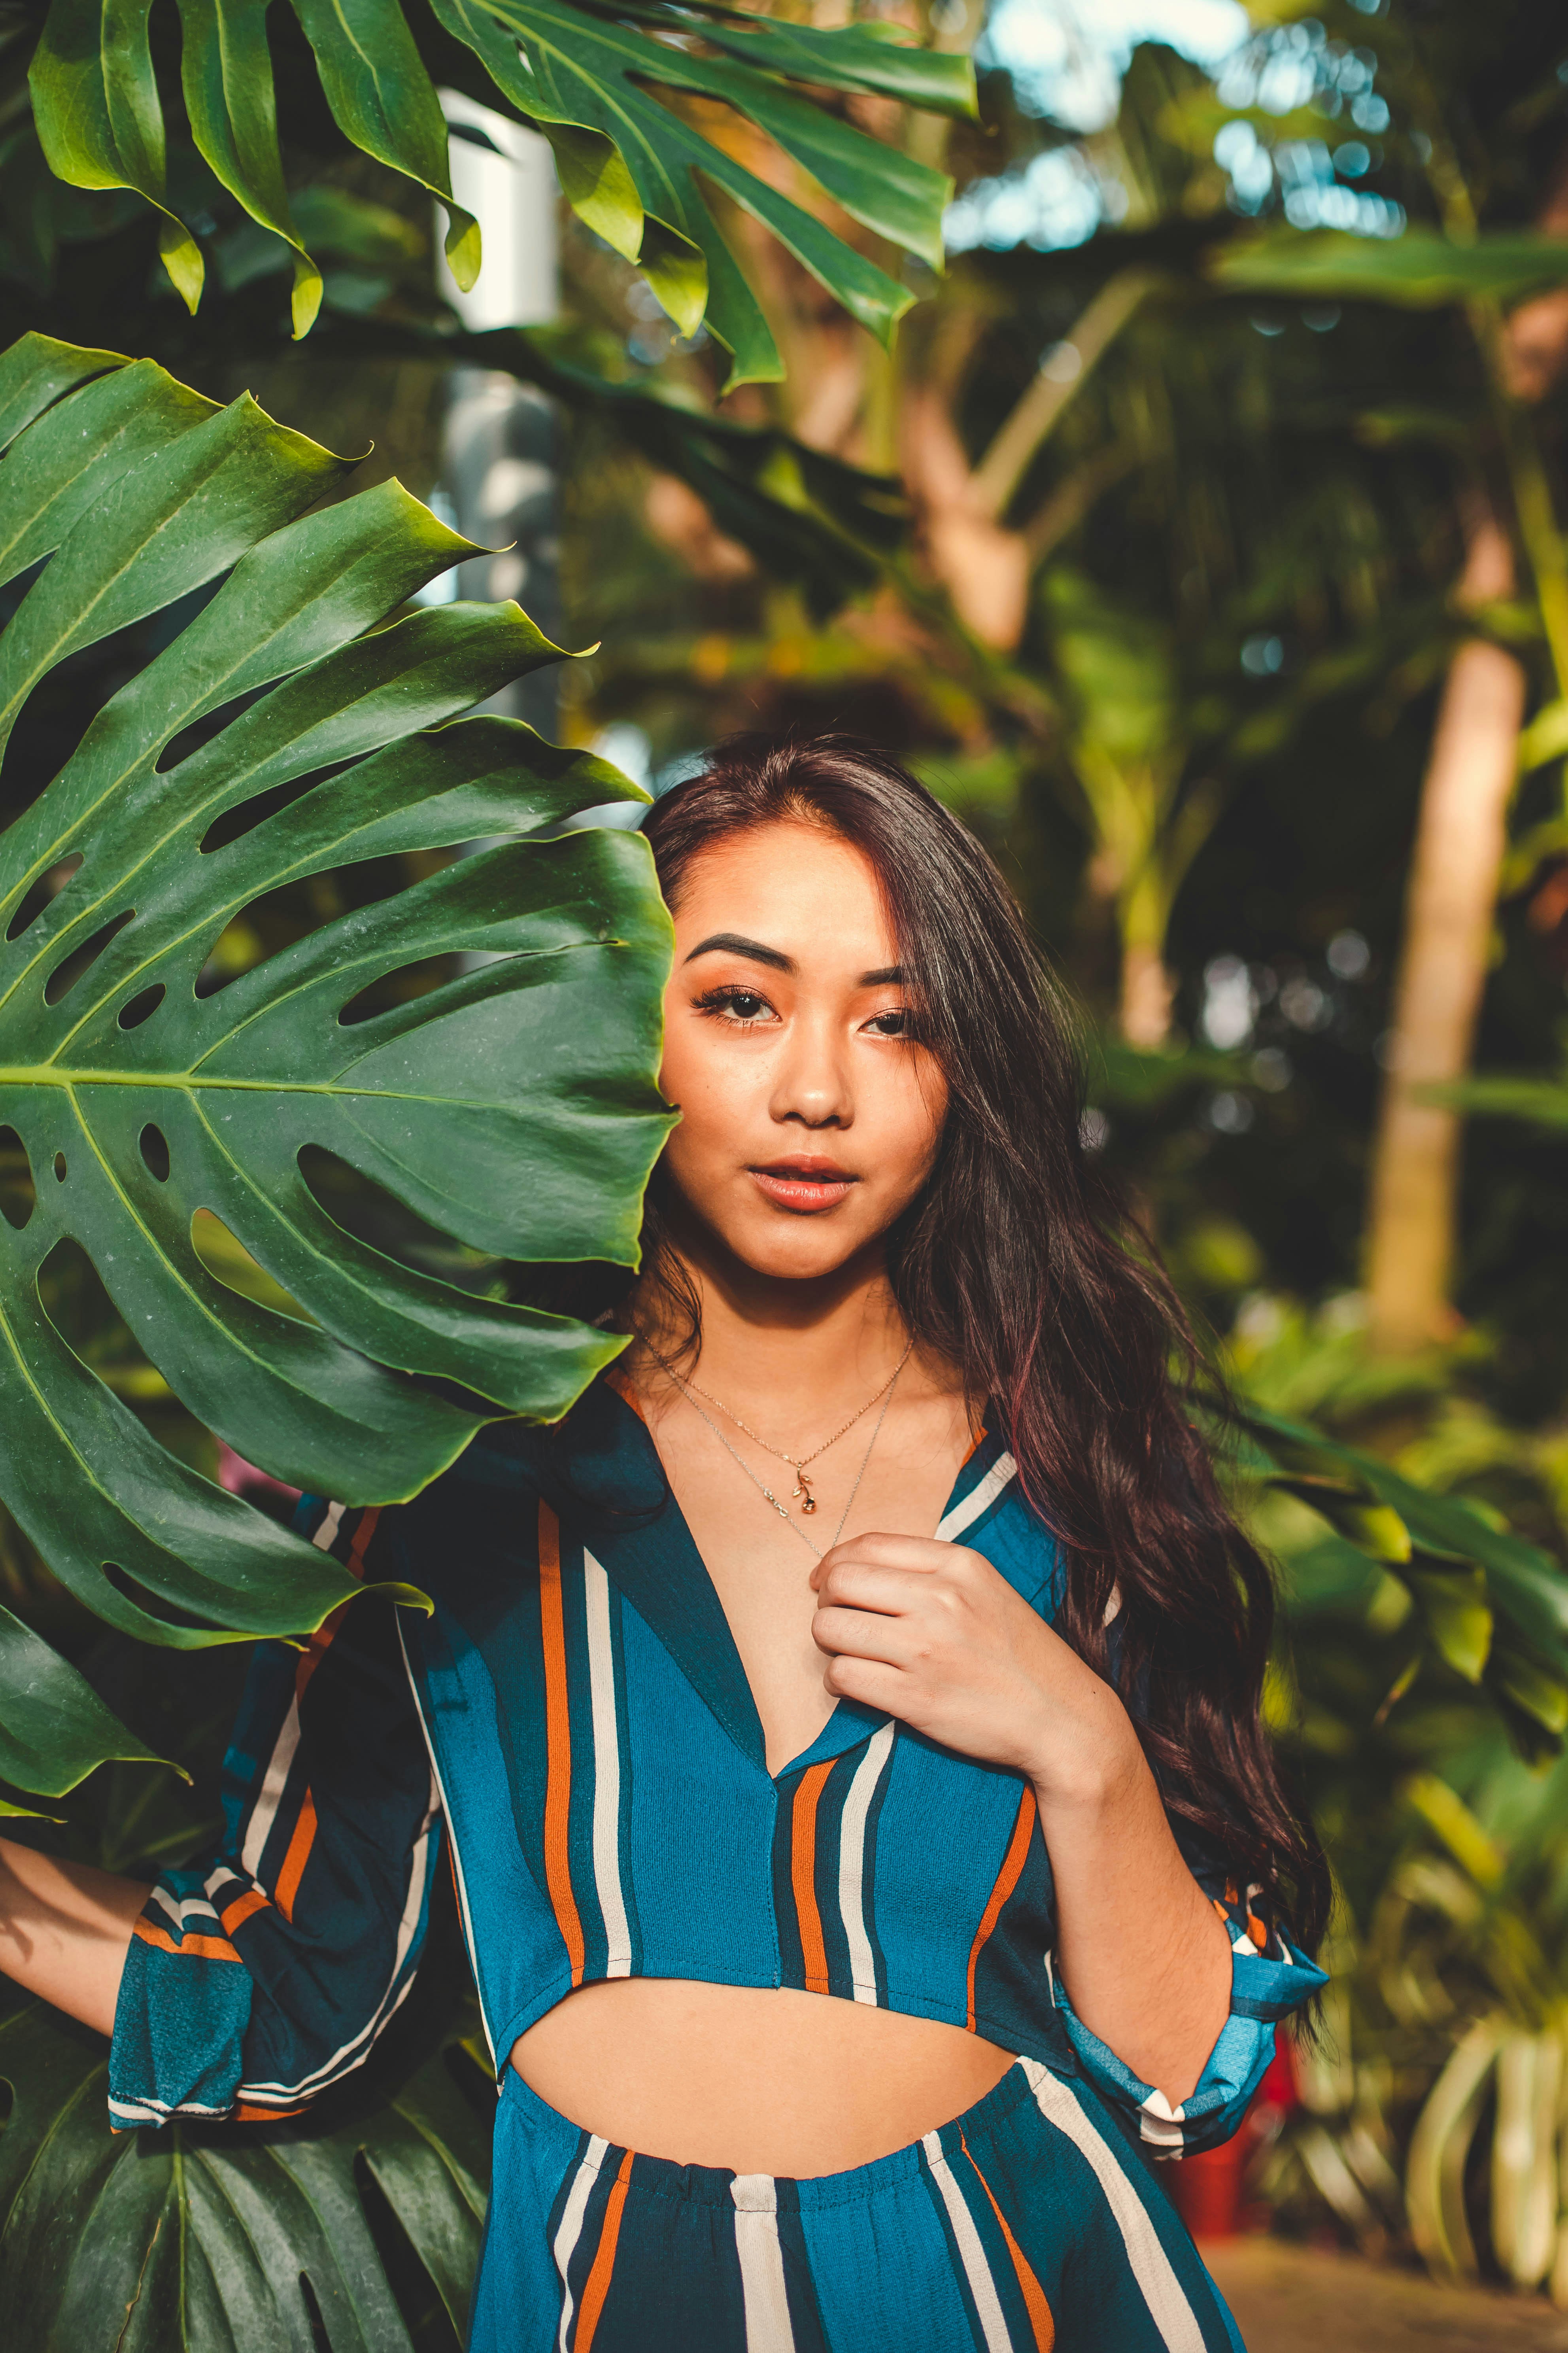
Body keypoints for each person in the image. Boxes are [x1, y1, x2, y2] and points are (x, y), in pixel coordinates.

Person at [0, 733, 1326, 2350]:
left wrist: (1082, 1746)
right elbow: (287, 1999)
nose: (817, 1090)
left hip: (1012, 2295)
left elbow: (1190, 2091)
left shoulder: (1071, 1476)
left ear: (961, 1070)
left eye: (893, 1021)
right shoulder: (444, 1484)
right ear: (628, 1026)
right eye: (740, 1002)